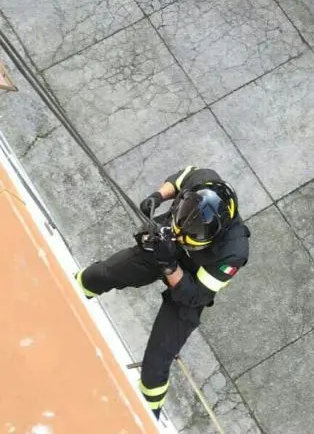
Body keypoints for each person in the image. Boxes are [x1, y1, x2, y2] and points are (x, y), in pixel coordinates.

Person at [75, 166, 250, 418]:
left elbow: (195, 296)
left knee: (156, 364)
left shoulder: (233, 253)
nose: (182, 236)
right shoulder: (204, 181)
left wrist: (170, 265)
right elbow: (179, 179)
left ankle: (149, 412)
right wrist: (157, 197)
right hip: (163, 246)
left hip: (189, 281)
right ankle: (75, 290)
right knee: (99, 275)